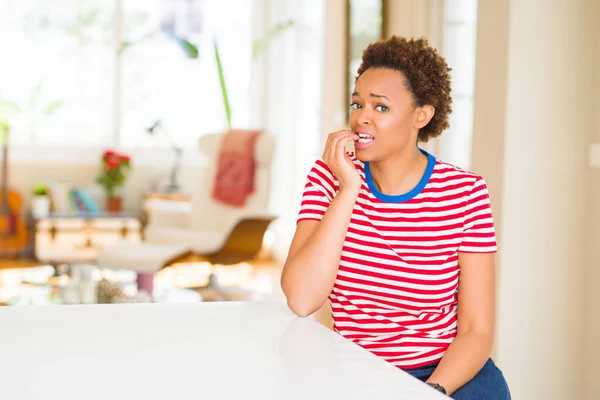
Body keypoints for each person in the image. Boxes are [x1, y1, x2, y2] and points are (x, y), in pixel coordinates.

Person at [280, 36, 511, 399]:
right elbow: (302, 299)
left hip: (448, 374)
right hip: (360, 372)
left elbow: (476, 330)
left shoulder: (466, 193)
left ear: (422, 115)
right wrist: (349, 190)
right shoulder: (329, 178)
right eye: (357, 104)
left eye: (381, 107)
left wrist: (429, 392)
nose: (362, 117)